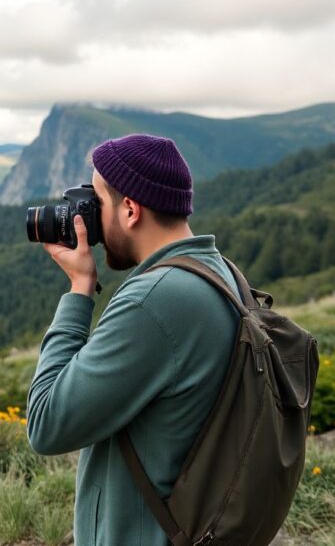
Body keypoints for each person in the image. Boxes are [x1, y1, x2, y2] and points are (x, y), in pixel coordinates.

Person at [26, 134, 242, 545]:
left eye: (96, 203)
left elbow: (46, 424)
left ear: (129, 209)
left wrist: (80, 288)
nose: (87, 217)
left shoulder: (156, 301)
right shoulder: (218, 272)